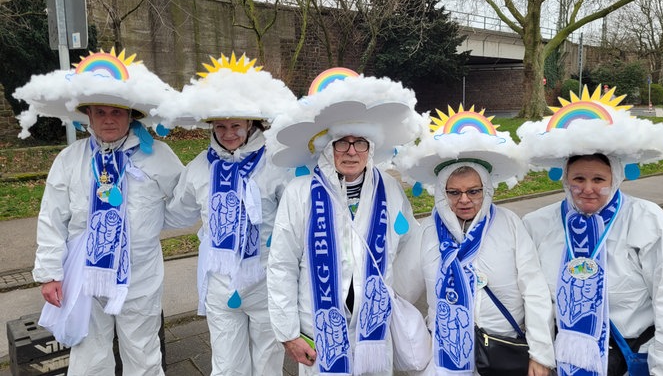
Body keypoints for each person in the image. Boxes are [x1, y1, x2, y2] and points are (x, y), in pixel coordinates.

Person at [14, 48, 184, 375]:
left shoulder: (158, 157)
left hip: (140, 275)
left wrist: (151, 223)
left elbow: (183, 202)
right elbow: (52, 218)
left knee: (144, 353)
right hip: (85, 274)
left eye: (117, 112)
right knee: (89, 357)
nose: (109, 119)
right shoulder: (70, 160)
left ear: (131, 115)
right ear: (88, 115)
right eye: (100, 111)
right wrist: (50, 273)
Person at [518, 85, 663, 376]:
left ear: (616, 178)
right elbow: (529, 297)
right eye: (578, 178)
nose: (588, 189)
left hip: (628, 361)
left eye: (599, 179)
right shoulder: (538, 224)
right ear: (564, 178)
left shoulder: (647, 221)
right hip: (562, 362)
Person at [266, 68, 424, 375]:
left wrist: (393, 298)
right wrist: (287, 333)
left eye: (360, 142)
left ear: (371, 147)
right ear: (328, 146)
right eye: (342, 142)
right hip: (318, 328)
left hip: (375, 330)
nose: (351, 151)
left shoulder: (389, 189)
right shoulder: (300, 193)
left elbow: (409, 246)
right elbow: (281, 264)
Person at [152, 52, 297, 375]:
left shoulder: (275, 163)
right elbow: (178, 213)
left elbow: (295, 218)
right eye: (221, 125)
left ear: (251, 123)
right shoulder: (200, 168)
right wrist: (141, 203)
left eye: (236, 125)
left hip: (265, 276)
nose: (228, 132)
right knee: (227, 364)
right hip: (219, 280)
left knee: (267, 362)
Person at [392, 105, 555, 375]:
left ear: (487, 190)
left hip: (500, 352)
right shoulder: (427, 232)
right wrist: (415, 342)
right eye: (454, 192)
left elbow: (534, 291)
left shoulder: (509, 224)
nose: (464, 200)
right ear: (442, 194)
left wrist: (540, 354)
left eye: (473, 191)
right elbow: (399, 293)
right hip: (443, 357)